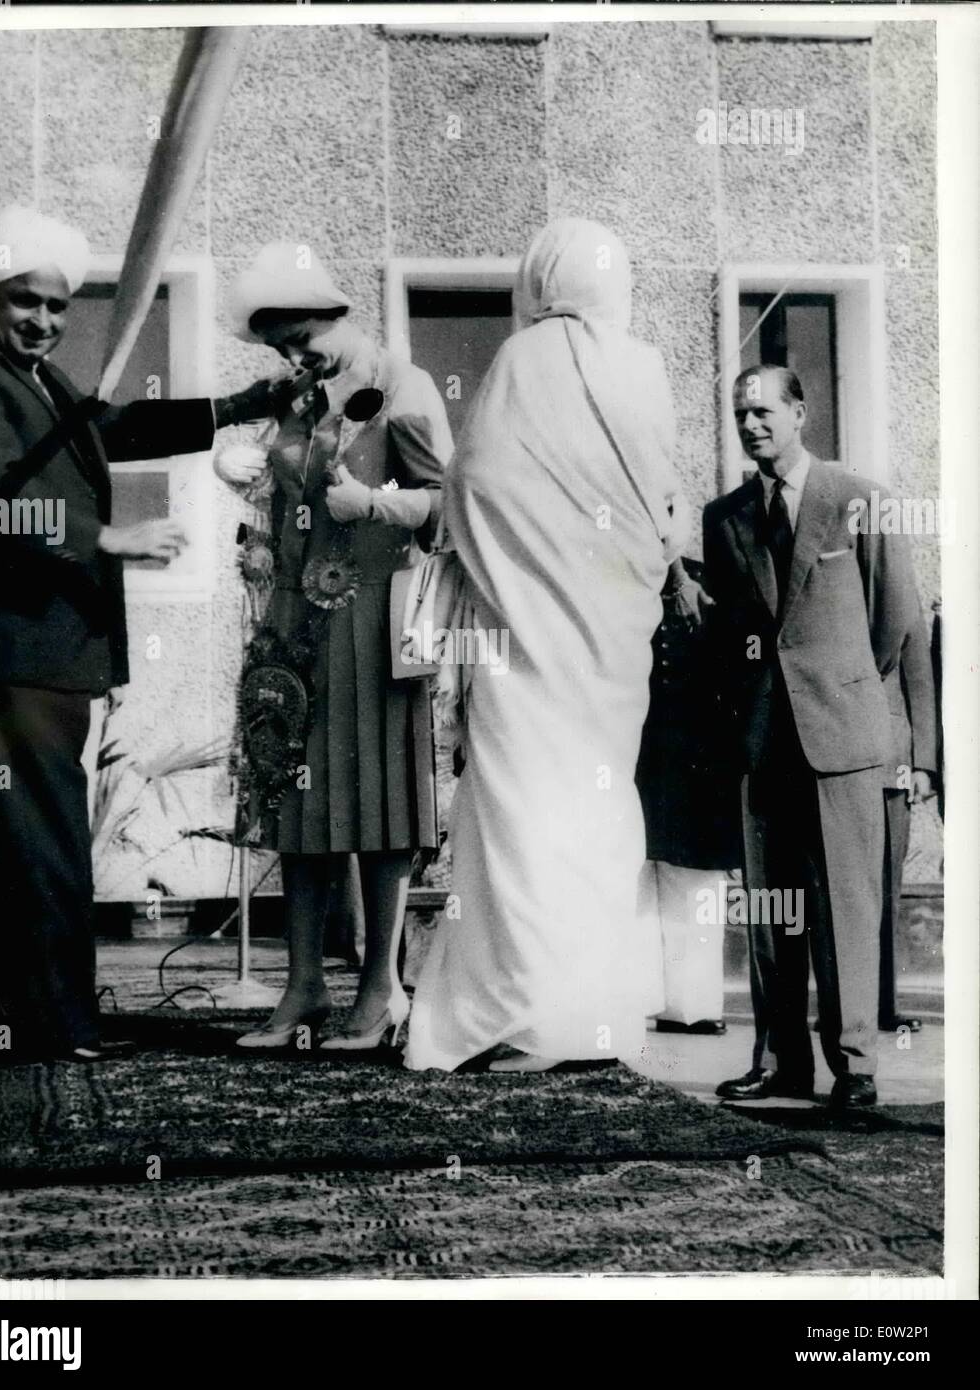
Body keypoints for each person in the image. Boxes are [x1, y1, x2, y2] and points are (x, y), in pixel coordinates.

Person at [0, 206, 277, 1063]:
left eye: (58, 308)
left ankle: (1, 1024)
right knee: (32, 844)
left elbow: (110, 430)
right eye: (26, 302)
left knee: (21, 842)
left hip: (44, 656)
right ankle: (44, 1028)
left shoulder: (34, 378)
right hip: (11, 655)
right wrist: (103, 538)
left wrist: (236, 406)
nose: (45, 323)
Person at [404, 218, 689, 1074]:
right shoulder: (642, 366)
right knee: (598, 815)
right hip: (609, 646)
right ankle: (595, 1013)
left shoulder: (522, 363)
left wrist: (517, 567)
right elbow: (661, 503)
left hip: (527, 647)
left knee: (526, 816)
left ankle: (526, 1013)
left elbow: (477, 481)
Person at [213, 242, 452, 1052]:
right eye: (280, 344)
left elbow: (452, 507)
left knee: (381, 807)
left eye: (303, 337)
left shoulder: (404, 388)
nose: (293, 355)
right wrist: (243, 479)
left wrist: (375, 505)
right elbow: (280, 494)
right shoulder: (291, 396)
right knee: (296, 803)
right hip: (292, 619)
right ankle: (304, 986)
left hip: (377, 616)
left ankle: (380, 991)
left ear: (339, 314)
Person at [704, 365, 922, 1110]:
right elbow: (730, 633)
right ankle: (780, 1060)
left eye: (764, 410)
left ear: (801, 413)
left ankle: (854, 1064)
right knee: (772, 908)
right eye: (741, 414)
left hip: (843, 739)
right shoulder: (725, 516)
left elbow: (895, 622)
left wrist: (848, 692)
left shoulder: (857, 500)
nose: (751, 424)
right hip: (764, 743)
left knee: (845, 910)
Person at [636, 557, 742, 1036]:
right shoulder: (617, 574)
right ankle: (636, 997)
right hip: (632, 747)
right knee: (632, 874)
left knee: (695, 880)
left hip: (698, 758)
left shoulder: (708, 583)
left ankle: (693, 1004)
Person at [878, 612, 938, 1032]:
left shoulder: (894, 581)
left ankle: (883, 1004)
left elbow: (919, 679)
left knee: (885, 888)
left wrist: (922, 765)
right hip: (819, 759)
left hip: (890, 763)